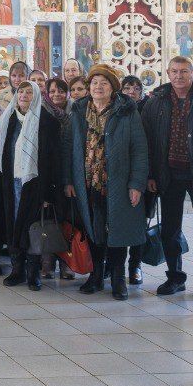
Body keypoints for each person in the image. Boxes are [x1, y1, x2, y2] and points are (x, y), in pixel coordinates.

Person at [140, 56, 193, 300]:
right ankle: (175, 277)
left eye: (184, 71)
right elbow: (146, 142)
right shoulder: (155, 102)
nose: (179, 76)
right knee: (170, 229)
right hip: (167, 174)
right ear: (167, 73)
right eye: (174, 71)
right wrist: (150, 175)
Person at [67, 65, 148, 300]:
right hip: (87, 182)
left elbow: (139, 149)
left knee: (118, 230)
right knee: (93, 229)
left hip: (118, 183)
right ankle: (96, 274)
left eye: (104, 83)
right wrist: (69, 180)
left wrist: (136, 184)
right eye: (94, 83)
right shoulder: (79, 110)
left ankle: (118, 277)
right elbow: (69, 147)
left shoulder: (126, 111)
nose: (98, 87)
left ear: (113, 88)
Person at [0, 82, 63, 290]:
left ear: (36, 96)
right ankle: (17, 270)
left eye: (29, 92)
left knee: (31, 226)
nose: (24, 95)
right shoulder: (8, 119)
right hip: (9, 183)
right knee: (12, 223)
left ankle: (33, 273)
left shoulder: (47, 122)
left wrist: (49, 193)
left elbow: (54, 161)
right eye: (21, 91)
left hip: (34, 184)